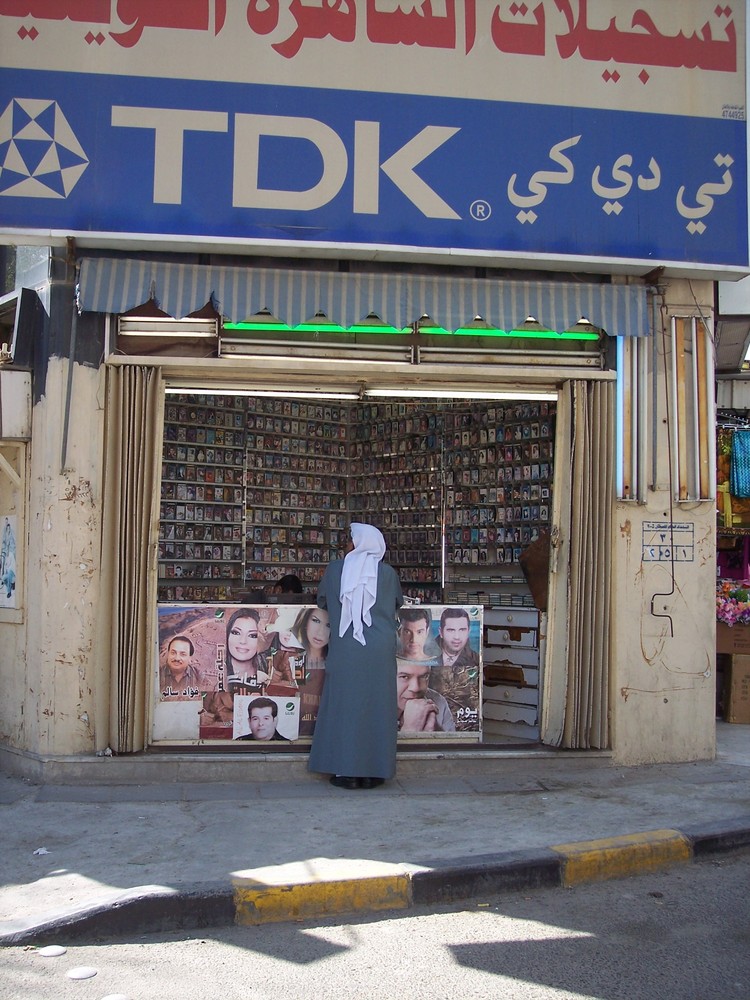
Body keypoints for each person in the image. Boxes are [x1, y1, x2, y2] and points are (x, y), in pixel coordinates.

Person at [308, 523, 402, 790]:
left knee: (344, 706)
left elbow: (323, 600)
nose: (347, 545)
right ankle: (375, 772)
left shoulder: (336, 569)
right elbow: (397, 602)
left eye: (350, 541)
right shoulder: (387, 573)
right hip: (380, 650)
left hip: (347, 646)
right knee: (378, 707)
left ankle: (347, 771)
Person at [225, 608, 296, 695]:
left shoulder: (275, 662)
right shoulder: (216, 670)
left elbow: (295, 692)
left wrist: (273, 683)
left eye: (252, 635)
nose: (243, 641)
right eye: (236, 633)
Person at [293, 606, 330, 737]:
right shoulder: (293, 659)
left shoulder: (336, 664)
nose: (320, 632)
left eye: (329, 625)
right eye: (316, 621)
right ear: (306, 621)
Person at [397, 659, 456, 733]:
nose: (416, 688)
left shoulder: (438, 701)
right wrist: (410, 730)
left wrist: (436, 731)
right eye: (404, 677)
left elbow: (452, 742)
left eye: (424, 676)